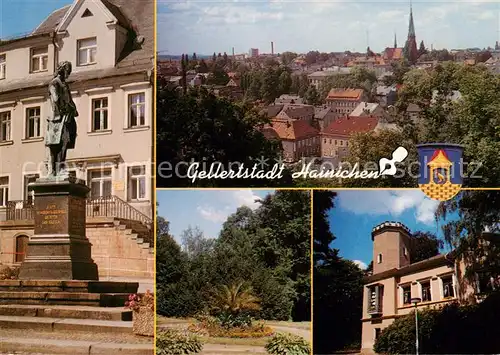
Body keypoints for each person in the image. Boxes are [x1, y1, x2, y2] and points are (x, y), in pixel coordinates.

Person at [46, 61, 78, 177]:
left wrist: (73, 109)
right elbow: (56, 99)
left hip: (66, 117)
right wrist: (66, 107)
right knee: (56, 145)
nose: (68, 73)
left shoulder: (64, 84)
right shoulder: (54, 83)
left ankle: (60, 168)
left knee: (65, 142)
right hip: (57, 118)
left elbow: (69, 99)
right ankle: (55, 170)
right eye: (67, 70)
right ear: (62, 69)